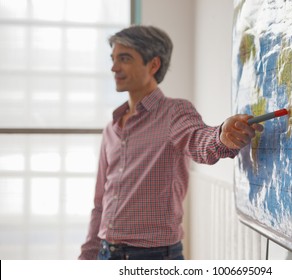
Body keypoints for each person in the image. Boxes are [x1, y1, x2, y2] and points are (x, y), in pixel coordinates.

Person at [78, 25, 263, 260]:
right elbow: (100, 203)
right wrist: (88, 254)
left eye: (124, 59)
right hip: (105, 253)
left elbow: (198, 139)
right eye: (113, 59)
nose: (114, 67)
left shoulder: (174, 112)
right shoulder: (111, 128)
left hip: (153, 257)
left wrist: (221, 136)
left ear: (153, 65)